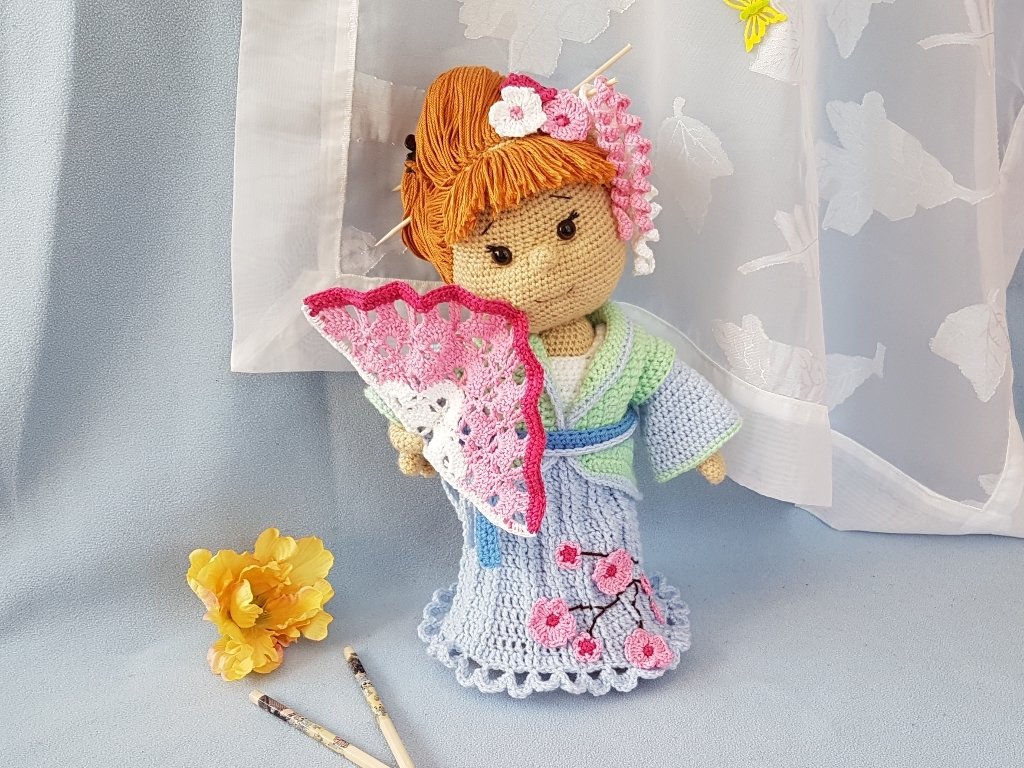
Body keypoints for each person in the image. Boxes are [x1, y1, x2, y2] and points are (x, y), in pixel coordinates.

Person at [389, 66, 742, 697]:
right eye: (500, 254)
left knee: (606, 563)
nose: (547, 263)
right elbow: (431, 393)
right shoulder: (481, 353)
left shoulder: (627, 346)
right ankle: (501, 630)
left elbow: (665, 385)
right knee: (510, 574)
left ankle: (616, 631)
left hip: (601, 496)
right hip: (508, 495)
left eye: (568, 227)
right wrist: (415, 434)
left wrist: (701, 444)